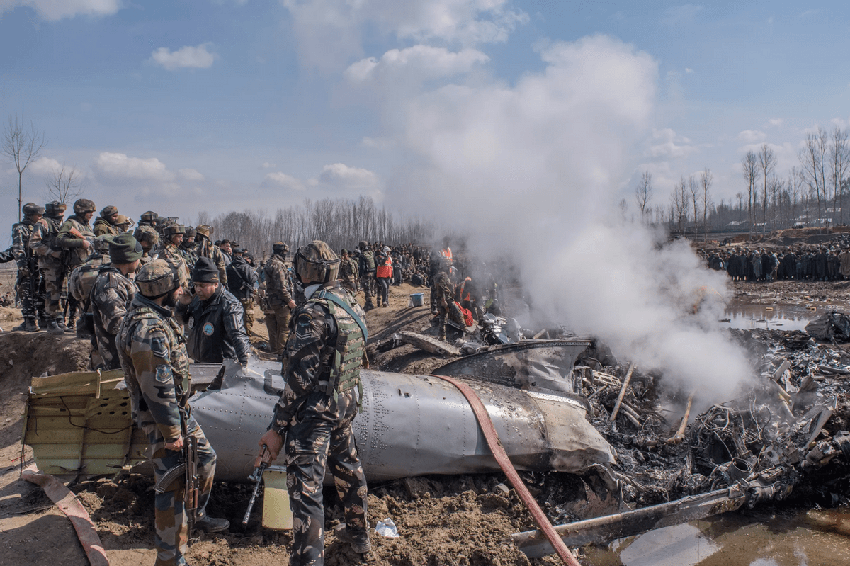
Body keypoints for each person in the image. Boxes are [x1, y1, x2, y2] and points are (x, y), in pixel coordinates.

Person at [256, 240, 370, 566]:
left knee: (306, 494)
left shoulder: (312, 312)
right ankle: (359, 538)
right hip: (345, 403)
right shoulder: (348, 302)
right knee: (349, 471)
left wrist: (278, 425)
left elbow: (299, 380)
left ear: (305, 270)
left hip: (316, 413)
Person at [117, 259, 228, 566]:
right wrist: (172, 434)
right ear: (162, 291)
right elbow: (156, 387)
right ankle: (169, 557)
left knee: (205, 461)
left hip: (177, 414)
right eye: (177, 286)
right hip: (163, 420)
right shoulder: (146, 328)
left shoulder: (155, 317)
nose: (182, 290)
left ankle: (197, 515)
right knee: (171, 486)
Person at [176, 257, 251, 366]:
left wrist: (245, 363)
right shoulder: (196, 299)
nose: (198, 290)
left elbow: (237, 334)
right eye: (196, 285)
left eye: (202, 286)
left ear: (215, 284)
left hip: (220, 366)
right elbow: (181, 320)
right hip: (199, 363)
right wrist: (182, 305)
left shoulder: (229, 304)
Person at [91, 234, 142, 370]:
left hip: (127, 358)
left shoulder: (121, 279)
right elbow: (115, 324)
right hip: (117, 363)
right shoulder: (110, 284)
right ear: (129, 259)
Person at [56, 198, 97, 331]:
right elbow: (60, 240)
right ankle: (71, 321)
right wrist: (80, 243)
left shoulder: (86, 225)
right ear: (81, 211)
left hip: (88, 263)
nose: (91, 215)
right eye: (89, 212)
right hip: (76, 264)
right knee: (74, 293)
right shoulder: (70, 223)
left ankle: (84, 319)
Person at [29, 201, 67, 331]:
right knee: (52, 292)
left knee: (61, 292)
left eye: (63, 211)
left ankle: (60, 320)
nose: (61, 214)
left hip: (62, 263)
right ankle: (51, 321)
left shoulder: (62, 223)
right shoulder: (43, 223)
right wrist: (51, 252)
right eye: (59, 211)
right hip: (48, 263)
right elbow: (34, 243)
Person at [11, 203, 45, 332]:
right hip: (29, 265)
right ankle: (30, 322)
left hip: (41, 265)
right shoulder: (20, 228)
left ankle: (42, 320)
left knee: (40, 293)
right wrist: (22, 265)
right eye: (38, 215)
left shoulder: (40, 227)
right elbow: (18, 248)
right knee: (27, 292)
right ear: (31, 215)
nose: (40, 217)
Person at [262, 242, 296, 356]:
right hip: (280, 302)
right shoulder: (278, 265)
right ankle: (281, 354)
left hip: (272, 300)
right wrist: (289, 300)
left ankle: (274, 350)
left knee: (273, 328)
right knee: (284, 328)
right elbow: (281, 287)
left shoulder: (269, 262)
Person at [226, 247, 259, 334]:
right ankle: (246, 338)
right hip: (245, 296)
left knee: (234, 317)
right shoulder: (245, 267)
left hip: (233, 296)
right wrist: (256, 274)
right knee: (247, 319)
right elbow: (252, 279)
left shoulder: (229, 267)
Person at [357, 240, 376, 310]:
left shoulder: (362, 255)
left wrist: (359, 276)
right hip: (372, 273)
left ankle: (369, 304)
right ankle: (369, 303)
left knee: (366, 289)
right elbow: (375, 263)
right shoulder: (371, 253)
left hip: (366, 274)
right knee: (370, 288)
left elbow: (362, 267)